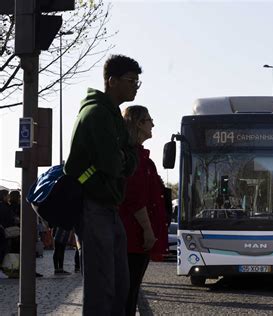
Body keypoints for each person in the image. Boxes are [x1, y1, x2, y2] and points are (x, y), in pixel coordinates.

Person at [64, 54, 142, 315]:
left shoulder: (114, 117)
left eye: (137, 81)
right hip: (93, 206)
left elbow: (130, 161)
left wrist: (125, 155)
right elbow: (113, 163)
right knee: (102, 287)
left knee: (120, 285)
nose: (135, 86)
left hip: (109, 207)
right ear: (112, 81)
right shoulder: (97, 113)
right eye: (131, 80)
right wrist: (124, 155)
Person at [120, 106, 168, 316]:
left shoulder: (140, 156)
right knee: (128, 296)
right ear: (138, 123)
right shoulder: (135, 157)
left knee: (130, 293)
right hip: (134, 238)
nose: (153, 124)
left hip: (135, 238)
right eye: (149, 120)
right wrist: (148, 231)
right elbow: (135, 198)